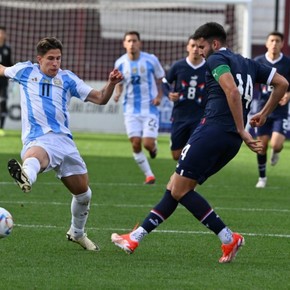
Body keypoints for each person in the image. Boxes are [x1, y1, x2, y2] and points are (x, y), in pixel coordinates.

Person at [111, 22, 288, 263]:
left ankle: (228, 238)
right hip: (229, 141)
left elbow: (233, 92)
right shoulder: (248, 63)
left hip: (213, 131)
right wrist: (264, 113)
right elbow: (283, 84)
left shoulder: (216, 59)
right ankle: (136, 237)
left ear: (215, 44)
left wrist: (243, 129)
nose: (200, 51)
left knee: (180, 189)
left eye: (202, 46)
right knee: (176, 185)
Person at [0, 37, 123, 251]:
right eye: (50, 59)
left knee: (84, 194)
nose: (55, 63)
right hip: (38, 138)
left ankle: (77, 233)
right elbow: (2, 69)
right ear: (39, 59)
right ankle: (26, 176)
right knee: (36, 156)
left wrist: (111, 83)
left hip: (65, 142)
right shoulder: (24, 72)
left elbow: (101, 98)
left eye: (58, 58)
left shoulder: (67, 79)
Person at [114, 31, 165, 184]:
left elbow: (160, 78)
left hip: (149, 108)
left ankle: (153, 148)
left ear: (140, 43)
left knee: (148, 144)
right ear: (124, 44)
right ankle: (149, 175)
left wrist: (159, 96)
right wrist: (117, 93)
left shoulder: (151, 60)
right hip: (130, 109)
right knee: (136, 142)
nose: (132, 44)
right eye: (129, 41)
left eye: (134, 41)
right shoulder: (120, 63)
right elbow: (119, 83)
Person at [253, 31, 290, 188]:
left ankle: (276, 152)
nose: (274, 43)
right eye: (272, 40)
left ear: (282, 44)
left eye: (277, 41)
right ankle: (262, 178)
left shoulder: (287, 63)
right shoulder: (258, 61)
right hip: (263, 109)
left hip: (280, 110)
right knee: (261, 146)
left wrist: (288, 95)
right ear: (267, 43)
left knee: (276, 144)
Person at [165, 35, 207, 160]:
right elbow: (165, 83)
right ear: (187, 47)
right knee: (176, 155)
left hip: (200, 116)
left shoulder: (209, 67)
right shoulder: (178, 66)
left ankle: (187, 176)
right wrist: (169, 93)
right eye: (192, 46)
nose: (195, 49)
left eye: (199, 46)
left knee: (193, 152)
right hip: (180, 115)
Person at [0, 26, 13, 137]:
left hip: (3, 81)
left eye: (2, 33)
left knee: (3, 103)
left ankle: (1, 128)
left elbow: (9, 64)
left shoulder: (7, 49)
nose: (1, 35)